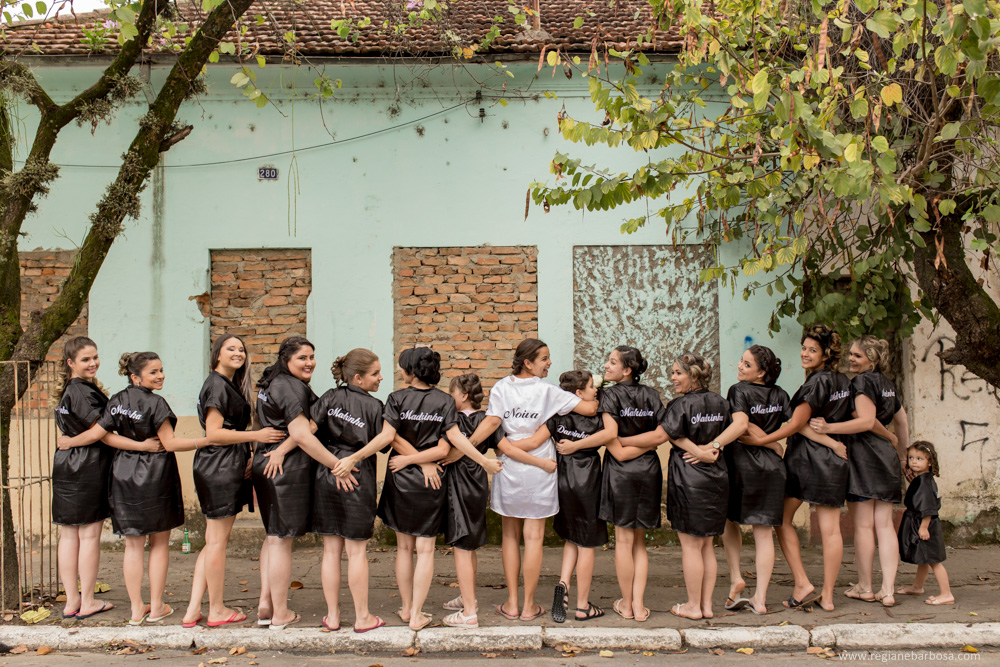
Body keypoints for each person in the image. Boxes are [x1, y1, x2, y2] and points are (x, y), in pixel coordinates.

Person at [333, 347, 501, 631]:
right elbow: (450, 444)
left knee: (403, 547)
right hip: (431, 481)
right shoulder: (445, 401)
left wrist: (356, 458)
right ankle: (417, 615)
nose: (399, 371)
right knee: (425, 550)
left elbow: (389, 437)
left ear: (411, 371)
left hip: (400, 475)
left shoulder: (396, 398)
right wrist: (482, 460)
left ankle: (406, 607)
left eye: (402, 367)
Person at [59, 351, 207, 625]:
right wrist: (206, 441)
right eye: (154, 372)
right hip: (155, 475)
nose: (161, 376)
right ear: (135, 377)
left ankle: (137, 609)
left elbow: (101, 436)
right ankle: (157, 605)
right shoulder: (157, 404)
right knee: (159, 543)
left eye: (161, 370)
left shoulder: (116, 401)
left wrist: (69, 442)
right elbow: (170, 444)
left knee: (133, 544)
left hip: (123, 474)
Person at [466, 339, 598, 622]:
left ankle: (512, 604)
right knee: (534, 538)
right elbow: (589, 410)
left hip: (509, 465)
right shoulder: (548, 391)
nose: (549, 363)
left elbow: (492, 422)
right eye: (544, 358)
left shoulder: (501, 387)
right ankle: (529, 606)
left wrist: (467, 446)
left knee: (510, 536)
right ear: (528, 362)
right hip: (541, 467)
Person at [740, 324, 852, 611]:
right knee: (831, 530)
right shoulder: (842, 381)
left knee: (782, 519)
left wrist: (765, 440)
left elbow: (795, 424)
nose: (805, 353)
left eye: (813, 350)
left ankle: (802, 581)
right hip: (834, 461)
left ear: (826, 354)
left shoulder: (814, 384)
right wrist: (834, 443)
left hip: (807, 460)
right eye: (804, 348)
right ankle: (827, 596)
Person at [182, 334, 283, 628]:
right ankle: (216, 609)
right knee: (216, 542)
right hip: (219, 466)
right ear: (217, 354)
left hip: (223, 464)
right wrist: (256, 436)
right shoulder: (216, 385)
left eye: (241, 349)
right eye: (231, 348)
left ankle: (192, 610)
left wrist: (248, 453)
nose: (238, 353)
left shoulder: (225, 384)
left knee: (212, 542)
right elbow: (213, 433)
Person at [252, 336, 351, 630]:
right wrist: (336, 465)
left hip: (267, 462)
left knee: (273, 537)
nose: (309, 363)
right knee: (281, 541)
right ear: (286, 359)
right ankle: (280, 613)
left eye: (311, 357)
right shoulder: (291, 387)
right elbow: (302, 435)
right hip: (285, 471)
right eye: (302, 358)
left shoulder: (273, 382)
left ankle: (266, 601)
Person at [809, 335, 909, 608]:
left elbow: (865, 421)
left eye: (857, 355)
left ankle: (865, 586)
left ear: (871, 360)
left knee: (864, 525)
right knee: (885, 525)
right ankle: (888, 590)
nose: (850, 359)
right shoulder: (887, 384)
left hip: (864, 456)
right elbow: (901, 420)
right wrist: (901, 454)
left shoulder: (861, 383)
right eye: (851, 354)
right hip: (886, 458)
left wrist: (828, 428)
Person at [310, 348, 386, 633]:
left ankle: (332, 616)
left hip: (326, 472)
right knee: (356, 553)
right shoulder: (376, 407)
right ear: (358, 378)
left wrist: (334, 464)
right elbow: (385, 442)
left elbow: (309, 431)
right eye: (375, 374)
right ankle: (362, 617)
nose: (380, 378)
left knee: (331, 552)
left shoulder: (328, 397)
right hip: (358, 476)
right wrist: (348, 464)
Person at [596, 346, 667, 622]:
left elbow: (619, 451)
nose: (606, 365)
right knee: (639, 542)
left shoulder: (609, 395)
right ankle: (639, 605)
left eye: (612, 362)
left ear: (627, 370)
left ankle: (626, 604)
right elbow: (659, 436)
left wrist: (625, 442)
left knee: (624, 541)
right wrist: (646, 445)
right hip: (648, 469)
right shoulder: (652, 395)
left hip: (621, 473)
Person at [52, 337, 120, 620]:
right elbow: (99, 432)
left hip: (67, 466)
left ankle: (72, 602)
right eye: (85, 359)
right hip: (88, 466)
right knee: (88, 535)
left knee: (69, 535)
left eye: (95, 357)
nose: (93, 363)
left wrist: (68, 442)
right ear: (71, 363)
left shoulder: (70, 389)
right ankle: (88, 601)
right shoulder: (81, 390)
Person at [661, 353, 733, 621]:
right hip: (717, 476)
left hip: (688, 478)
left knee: (691, 547)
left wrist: (696, 452)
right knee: (707, 546)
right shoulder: (721, 402)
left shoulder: (679, 404)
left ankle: (693, 606)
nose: (673, 378)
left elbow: (671, 434)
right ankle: (706, 605)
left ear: (693, 376)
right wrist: (708, 450)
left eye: (678, 373)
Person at [721, 345, 789, 615]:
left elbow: (742, 424)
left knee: (728, 520)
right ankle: (760, 598)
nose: (740, 366)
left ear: (762, 373)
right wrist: (774, 445)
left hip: (742, 463)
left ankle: (736, 576)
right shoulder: (781, 394)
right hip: (773, 467)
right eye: (741, 360)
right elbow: (794, 424)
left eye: (747, 364)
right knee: (764, 533)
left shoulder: (738, 390)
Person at [542, 370, 611, 622]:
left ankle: (563, 584)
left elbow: (540, 436)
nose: (596, 390)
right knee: (587, 543)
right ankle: (582, 605)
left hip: (563, 480)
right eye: (592, 387)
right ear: (579, 393)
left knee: (572, 537)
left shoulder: (557, 416)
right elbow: (609, 434)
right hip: (587, 481)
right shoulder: (597, 417)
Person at [437, 373, 504, 629]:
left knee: (462, 547)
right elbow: (500, 447)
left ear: (463, 396)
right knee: (470, 545)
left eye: (451, 393)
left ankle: (468, 613)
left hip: (460, 481)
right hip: (477, 481)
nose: (448, 397)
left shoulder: (453, 420)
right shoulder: (485, 420)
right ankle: (469, 598)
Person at [896, 441, 952, 605]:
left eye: (919, 458)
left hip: (925, 525)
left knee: (934, 561)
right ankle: (917, 586)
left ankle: (946, 593)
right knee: (925, 559)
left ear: (930, 462)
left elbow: (928, 508)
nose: (914, 461)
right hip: (922, 523)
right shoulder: (922, 479)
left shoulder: (924, 483)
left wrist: (923, 528)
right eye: (911, 457)